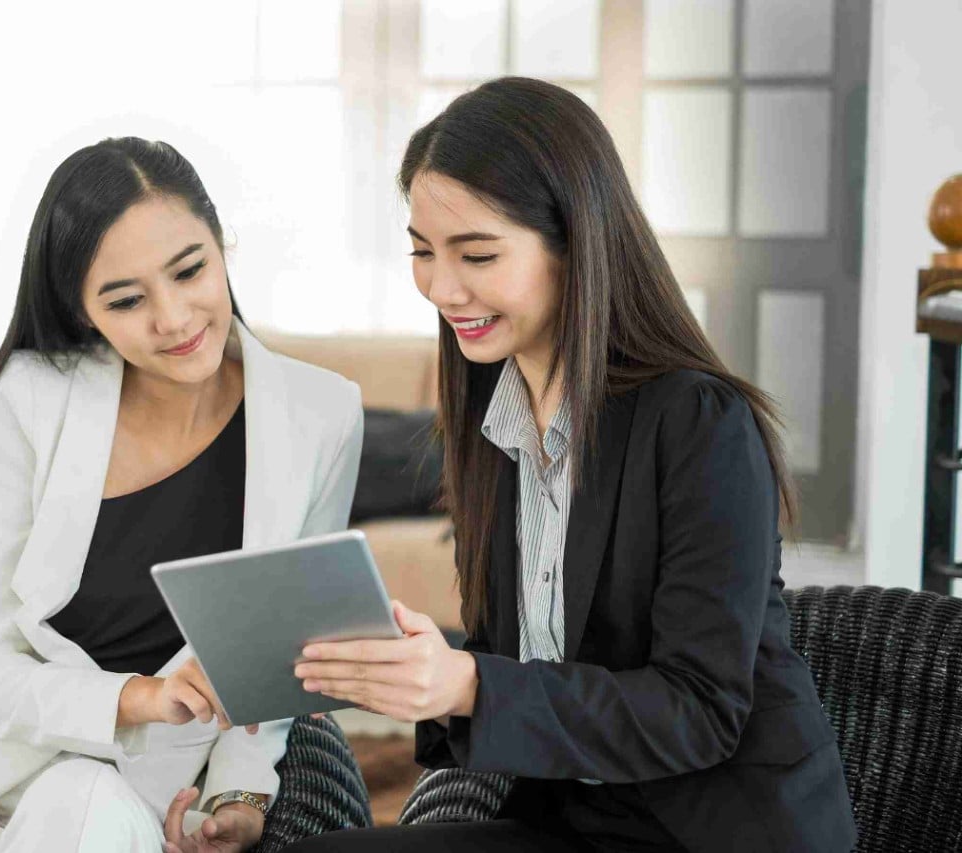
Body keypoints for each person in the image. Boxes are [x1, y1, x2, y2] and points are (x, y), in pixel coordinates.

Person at [286, 77, 856, 852]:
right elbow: (533, 654)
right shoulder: (494, 417)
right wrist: (421, 667)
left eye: (477, 253)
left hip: (720, 830)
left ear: (575, 242)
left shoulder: (699, 423)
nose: (442, 288)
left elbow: (698, 710)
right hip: (575, 819)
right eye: (422, 251)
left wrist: (470, 684)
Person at [0, 137, 363, 853]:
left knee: (82, 796)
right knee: (78, 800)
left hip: (114, 809)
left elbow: (272, 658)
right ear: (83, 311)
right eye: (126, 299)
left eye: (190, 269)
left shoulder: (320, 417)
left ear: (223, 244)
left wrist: (238, 798)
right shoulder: (30, 399)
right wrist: (134, 697)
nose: (173, 318)